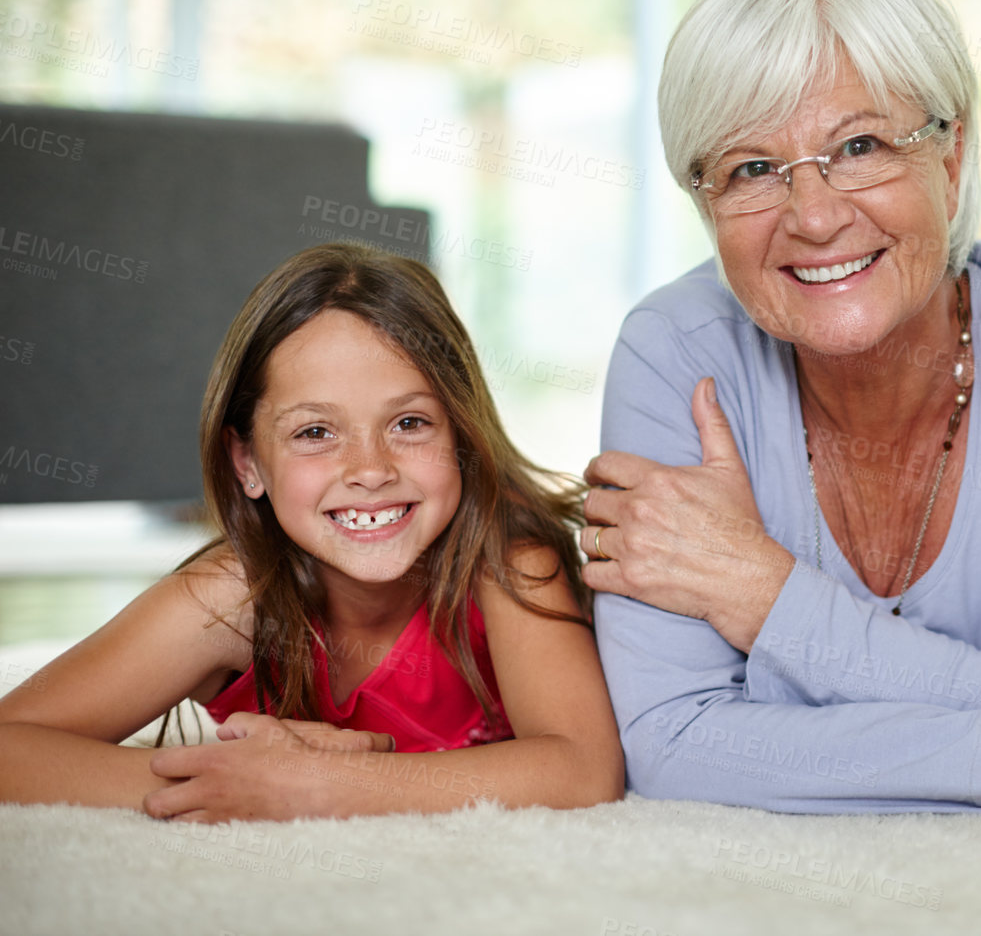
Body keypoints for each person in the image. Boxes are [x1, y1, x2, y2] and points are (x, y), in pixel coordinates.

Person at [580, 0, 981, 813]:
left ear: (951, 154)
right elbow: (671, 742)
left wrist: (762, 593)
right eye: (751, 170)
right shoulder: (673, 353)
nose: (815, 216)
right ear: (703, 201)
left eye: (860, 147)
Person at [0, 244, 624, 819]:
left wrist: (314, 786)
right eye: (315, 433)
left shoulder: (506, 559)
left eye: (409, 422)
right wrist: (235, 782)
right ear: (247, 463)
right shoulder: (230, 596)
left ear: (460, 431)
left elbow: (583, 769)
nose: (372, 470)